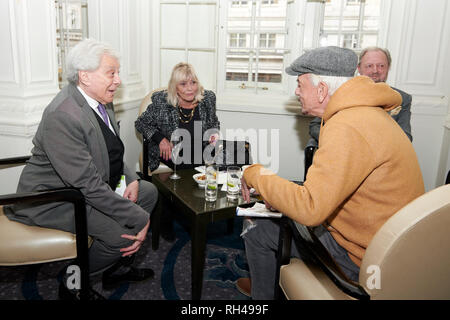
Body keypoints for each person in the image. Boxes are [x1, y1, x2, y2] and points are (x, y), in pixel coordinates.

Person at [237, 46, 424, 299]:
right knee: (279, 206)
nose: (296, 91)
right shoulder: (364, 112)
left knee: (257, 227)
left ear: (322, 90)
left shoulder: (346, 126)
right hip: (382, 246)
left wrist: (253, 172)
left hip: (362, 261)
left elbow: (310, 207)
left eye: (300, 84)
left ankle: (263, 296)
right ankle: (269, 283)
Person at [4, 39, 158, 299]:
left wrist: (130, 178)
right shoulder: (63, 115)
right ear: (85, 76)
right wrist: (139, 218)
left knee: (147, 192)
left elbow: (112, 149)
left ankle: (115, 270)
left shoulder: (100, 98)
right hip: (54, 199)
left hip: (86, 188)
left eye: (118, 72)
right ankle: (72, 280)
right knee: (120, 237)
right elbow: (88, 186)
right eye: (111, 73)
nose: (118, 80)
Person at [135, 62, 220, 240]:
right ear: (175, 87)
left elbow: (213, 123)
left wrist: (214, 134)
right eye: (183, 84)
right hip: (172, 151)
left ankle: (195, 213)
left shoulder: (207, 99)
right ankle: (169, 217)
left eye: (193, 82)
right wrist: (160, 139)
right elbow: (141, 123)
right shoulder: (162, 101)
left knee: (226, 159)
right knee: (189, 166)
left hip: (198, 149)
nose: (190, 88)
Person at [308, 46, 413, 150]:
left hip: (383, 159)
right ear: (359, 69)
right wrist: (338, 140)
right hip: (344, 153)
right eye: (369, 66)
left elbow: (406, 137)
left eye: (381, 66)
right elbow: (315, 126)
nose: (375, 70)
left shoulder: (402, 99)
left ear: (388, 68)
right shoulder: (342, 92)